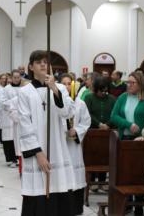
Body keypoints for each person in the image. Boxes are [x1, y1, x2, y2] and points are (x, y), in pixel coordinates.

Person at [18, 50, 74, 216]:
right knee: (37, 194)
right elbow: (24, 124)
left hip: (57, 148)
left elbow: (68, 113)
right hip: (37, 152)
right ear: (31, 67)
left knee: (58, 190)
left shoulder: (60, 88)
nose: (43, 64)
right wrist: (38, 153)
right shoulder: (25, 92)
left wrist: (55, 90)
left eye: (45, 62)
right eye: (38, 62)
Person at [110, 71, 144, 216]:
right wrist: (128, 124)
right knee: (126, 173)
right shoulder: (123, 97)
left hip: (141, 142)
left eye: (132, 83)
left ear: (140, 83)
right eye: (127, 82)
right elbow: (113, 116)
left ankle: (139, 204)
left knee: (139, 173)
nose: (128, 85)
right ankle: (127, 203)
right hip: (125, 140)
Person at [60, 73, 91, 215]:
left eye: (69, 84)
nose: (66, 87)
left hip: (74, 146)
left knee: (75, 174)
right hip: (59, 145)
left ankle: (75, 208)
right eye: (64, 83)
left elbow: (86, 121)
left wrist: (76, 131)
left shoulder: (80, 103)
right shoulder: (55, 102)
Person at [1, 70, 22, 168]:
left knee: (18, 138)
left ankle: (19, 158)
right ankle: (11, 159)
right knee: (9, 139)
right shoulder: (6, 89)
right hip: (9, 117)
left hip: (20, 116)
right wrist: (15, 102)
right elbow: (3, 102)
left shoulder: (23, 88)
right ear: (11, 78)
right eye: (15, 77)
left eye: (18, 77)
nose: (17, 79)